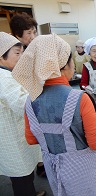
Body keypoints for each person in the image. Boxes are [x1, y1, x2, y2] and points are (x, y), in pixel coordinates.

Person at [12, 34, 96, 196]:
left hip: (55, 171)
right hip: (85, 173)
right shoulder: (80, 98)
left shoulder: (30, 100)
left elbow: (31, 138)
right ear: (63, 67)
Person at [0, 32, 45, 196]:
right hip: (13, 139)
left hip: (15, 135)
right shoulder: (3, 78)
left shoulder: (8, 74)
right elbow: (23, 104)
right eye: (17, 53)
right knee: (22, 179)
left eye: (22, 52)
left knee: (24, 176)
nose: (21, 57)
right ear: (1, 56)